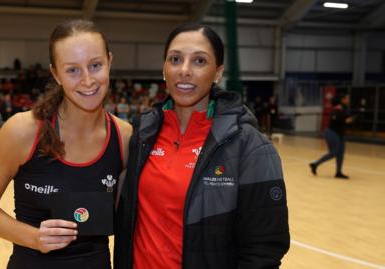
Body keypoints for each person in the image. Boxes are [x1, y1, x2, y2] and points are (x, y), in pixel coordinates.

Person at [114, 23, 290, 269]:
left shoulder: (251, 147)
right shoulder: (141, 135)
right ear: (164, 69)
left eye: (199, 61)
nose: (184, 70)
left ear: (218, 73)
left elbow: (264, 249)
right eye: (175, 59)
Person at [0, 20, 132, 269]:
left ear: (109, 61)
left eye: (96, 65)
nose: (88, 80)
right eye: (73, 70)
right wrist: (34, 238)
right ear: (55, 73)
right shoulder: (23, 131)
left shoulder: (124, 137)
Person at [310, 93, 353, 179]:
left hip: (341, 134)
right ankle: (315, 164)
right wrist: (346, 121)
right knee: (334, 152)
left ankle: (338, 172)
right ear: (342, 99)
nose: (348, 100)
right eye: (347, 98)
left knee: (340, 154)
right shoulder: (337, 108)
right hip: (332, 133)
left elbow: (347, 118)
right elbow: (335, 120)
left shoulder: (345, 108)